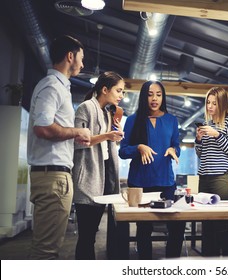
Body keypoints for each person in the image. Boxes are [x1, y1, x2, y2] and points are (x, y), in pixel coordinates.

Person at [27, 35, 91, 259]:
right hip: (53, 177)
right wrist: (77, 132)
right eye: (81, 59)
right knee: (46, 251)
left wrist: (73, 137)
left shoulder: (58, 87)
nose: (82, 65)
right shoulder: (53, 86)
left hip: (53, 176)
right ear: (70, 56)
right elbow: (43, 128)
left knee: (48, 247)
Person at [119, 80, 186, 259]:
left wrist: (173, 150)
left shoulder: (171, 120)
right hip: (140, 183)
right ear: (143, 97)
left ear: (163, 97)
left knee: (177, 226)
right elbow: (123, 151)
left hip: (165, 182)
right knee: (144, 229)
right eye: (150, 94)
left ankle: (173, 264)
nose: (154, 98)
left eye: (158, 94)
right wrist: (138, 147)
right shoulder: (133, 120)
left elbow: (175, 145)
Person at [72, 71, 125, 259]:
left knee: (91, 236)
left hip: (102, 182)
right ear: (105, 89)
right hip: (87, 180)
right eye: (119, 90)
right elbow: (77, 142)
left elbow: (105, 147)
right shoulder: (85, 107)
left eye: (123, 92)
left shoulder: (107, 114)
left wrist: (115, 137)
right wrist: (107, 136)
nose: (121, 95)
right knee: (86, 237)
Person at [195, 87, 228, 256]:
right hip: (204, 177)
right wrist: (199, 139)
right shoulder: (207, 124)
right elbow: (201, 154)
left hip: (222, 177)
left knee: (222, 224)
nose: (210, 106)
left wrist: (217, 135)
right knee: (207, 224)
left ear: (222, 104)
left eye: (214, 103)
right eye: (208, 102)